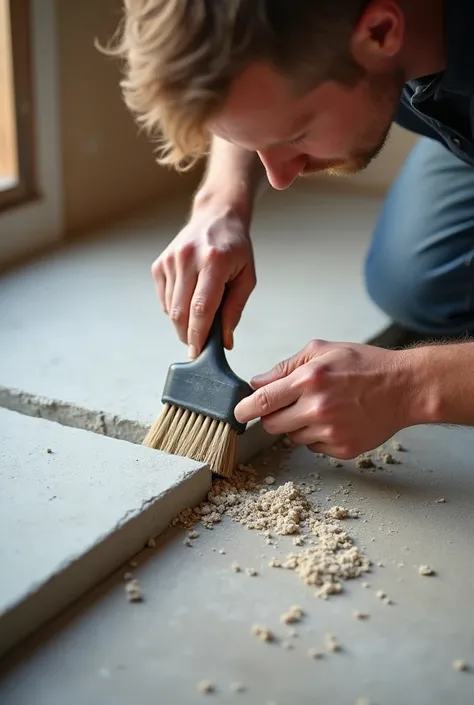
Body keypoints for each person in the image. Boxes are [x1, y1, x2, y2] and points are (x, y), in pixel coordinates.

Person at [110, 0, 474, 458]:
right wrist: (221, 201)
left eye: (294, 135)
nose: (279, 178)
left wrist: (412, 384)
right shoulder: (336, 30)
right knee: (415, 283)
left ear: (380, 32)